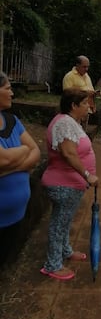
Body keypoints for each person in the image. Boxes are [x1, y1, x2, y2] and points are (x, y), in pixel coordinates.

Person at [40, 88, 99, 280]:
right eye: (84, 104)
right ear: (73, 106)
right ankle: (52, 265)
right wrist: (87, 174)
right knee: (59, 223)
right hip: (63, 184)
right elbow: (68, 153)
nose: (88, 108)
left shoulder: (69, 122)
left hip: (70, 184)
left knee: (65, 221)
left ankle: (65, 251)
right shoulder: (64, 123)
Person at [0, 72, 41, 267]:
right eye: (8, 88)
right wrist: (24, 150)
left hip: (15, 216)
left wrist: (9, 170)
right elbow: (4, 158)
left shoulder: (12, 120)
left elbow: (36, 153)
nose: (12, 94)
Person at [62, 56, 99, 128]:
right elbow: (67, 94)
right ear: (77, 65)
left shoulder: (87, 76)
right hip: (75, 112)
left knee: (82, 133)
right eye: (84, 67)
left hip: (86, 110)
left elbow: (90, 90)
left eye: (88, 67)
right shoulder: (69, 76)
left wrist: (94, 93)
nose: (86, 69)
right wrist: (85, 92)